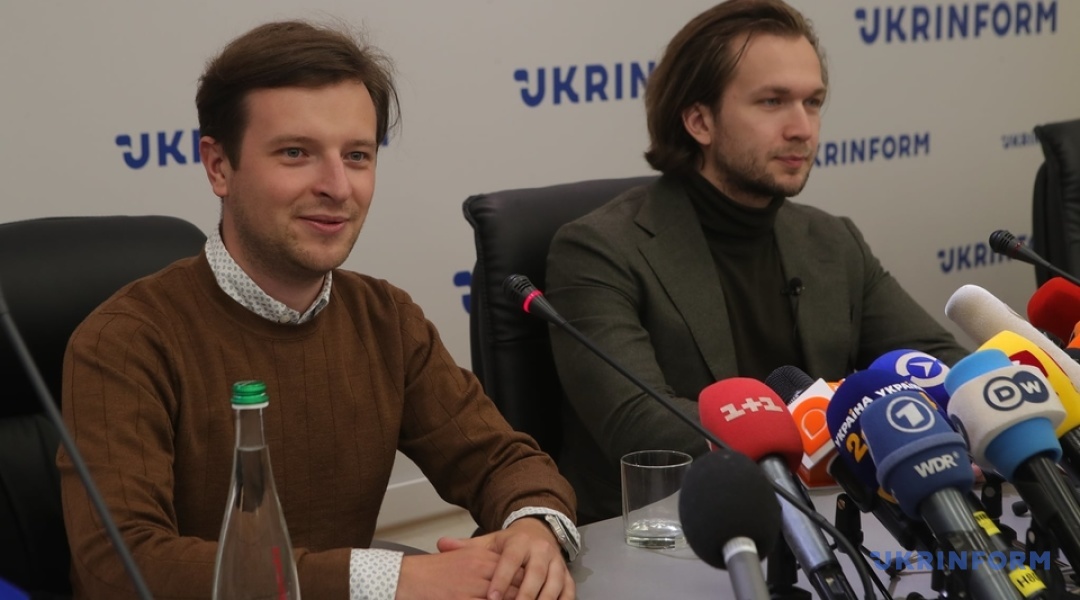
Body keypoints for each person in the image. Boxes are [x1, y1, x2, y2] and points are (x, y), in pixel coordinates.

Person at [59, 20, 578, 600]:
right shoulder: (125, 340)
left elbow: (506, 463)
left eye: (357, 155)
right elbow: (120, 568)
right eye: (296, 153)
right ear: (219, 166)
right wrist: (389, 579)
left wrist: (533, 528)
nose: (337, 186)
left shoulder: (386, 318)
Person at [545, 0, 968, 524]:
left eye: (813, 102)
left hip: (827, 526)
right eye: (772, 101)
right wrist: (830, 442)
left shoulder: (833, 241)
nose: (803, 128)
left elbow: (937, 366)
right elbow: (642, 427)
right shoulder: (598, 250)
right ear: (699, 121)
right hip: (673, 533)